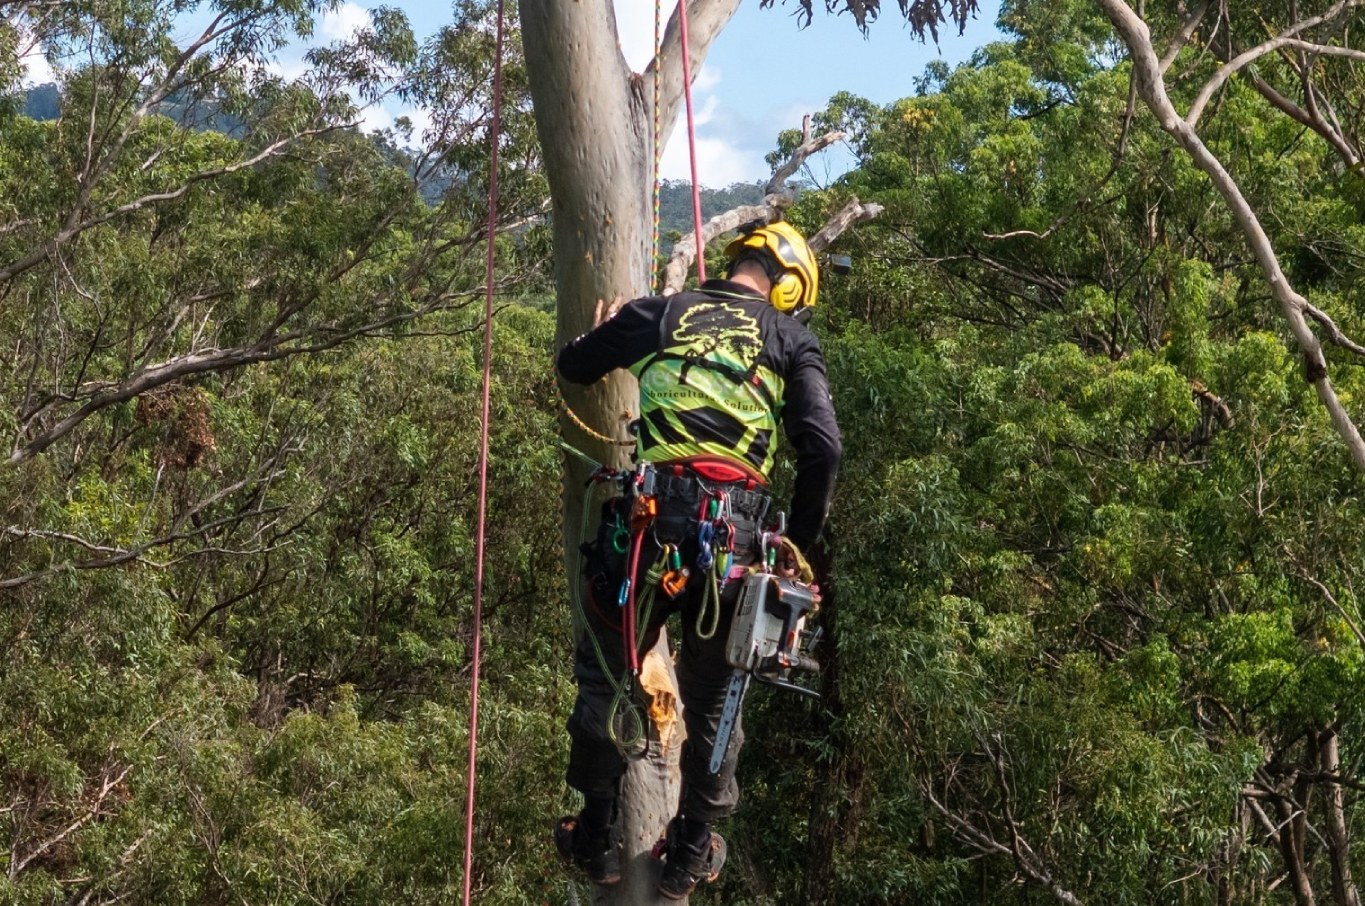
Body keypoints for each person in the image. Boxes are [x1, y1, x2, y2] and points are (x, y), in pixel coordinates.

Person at [553, 220, 841, 900]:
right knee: (716, 706)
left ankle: (596, 837)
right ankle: (684, 855)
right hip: (735, 547)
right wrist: (796, 542)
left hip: (647, 528)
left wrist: (601, 331)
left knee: (603, 681)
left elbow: (573, 366)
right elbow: (822, 447)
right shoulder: (790, 339)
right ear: (790, 285)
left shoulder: (661, 313)